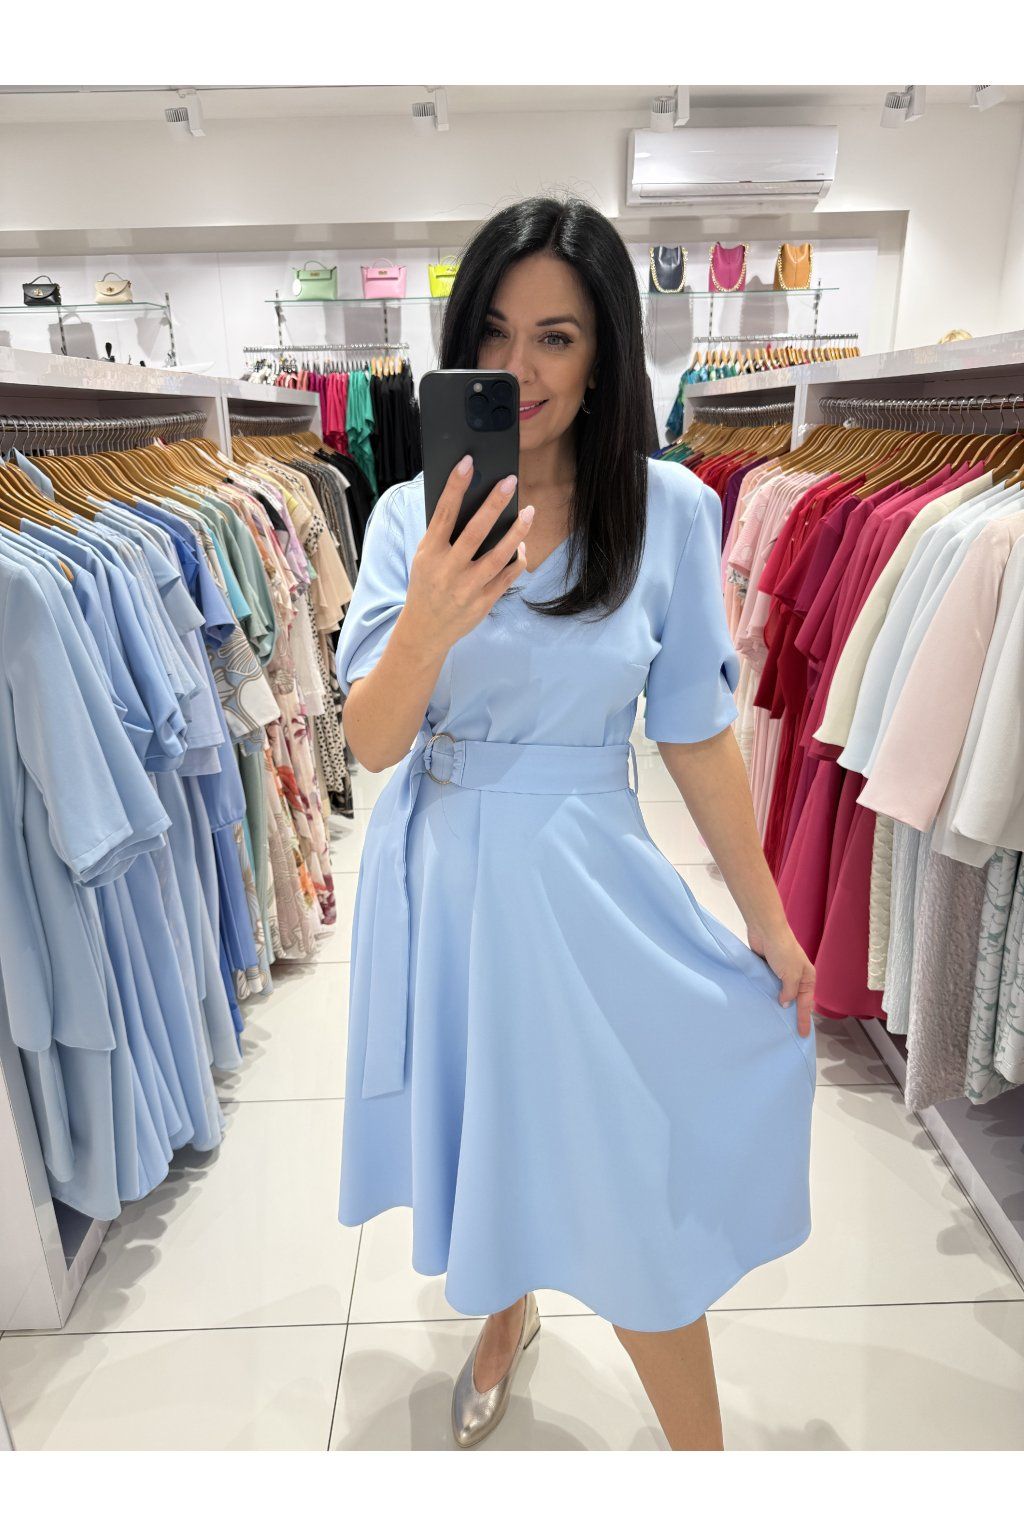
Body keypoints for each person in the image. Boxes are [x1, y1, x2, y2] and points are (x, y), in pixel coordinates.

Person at [334, 196, 816, 1452]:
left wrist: (768, 921)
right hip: (447, 878)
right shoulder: (407, 518)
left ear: (604, 352)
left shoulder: (670, 511)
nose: (519, 369)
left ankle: (702, 1468)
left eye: (555, 336)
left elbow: (695, 733)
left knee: (627, 1176)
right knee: (488, 1132)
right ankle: (505, 1316)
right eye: (493, 335)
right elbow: (372, 741)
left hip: (589, 881)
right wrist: (433, 610)